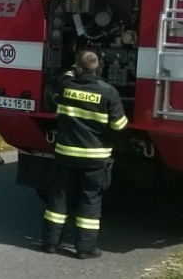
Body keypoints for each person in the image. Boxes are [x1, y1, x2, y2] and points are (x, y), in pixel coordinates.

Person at [41, 48, 128, 259]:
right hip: (95, 158)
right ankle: (85, 249)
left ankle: (50, 243)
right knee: (90, 201)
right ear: (98, 67)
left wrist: (75, 67)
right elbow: (119, 126)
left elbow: (67, 75)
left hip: (66, 155)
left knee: (59, 199)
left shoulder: (66, 84)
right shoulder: (109, 92)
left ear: (78, 67)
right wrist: (107, 139)